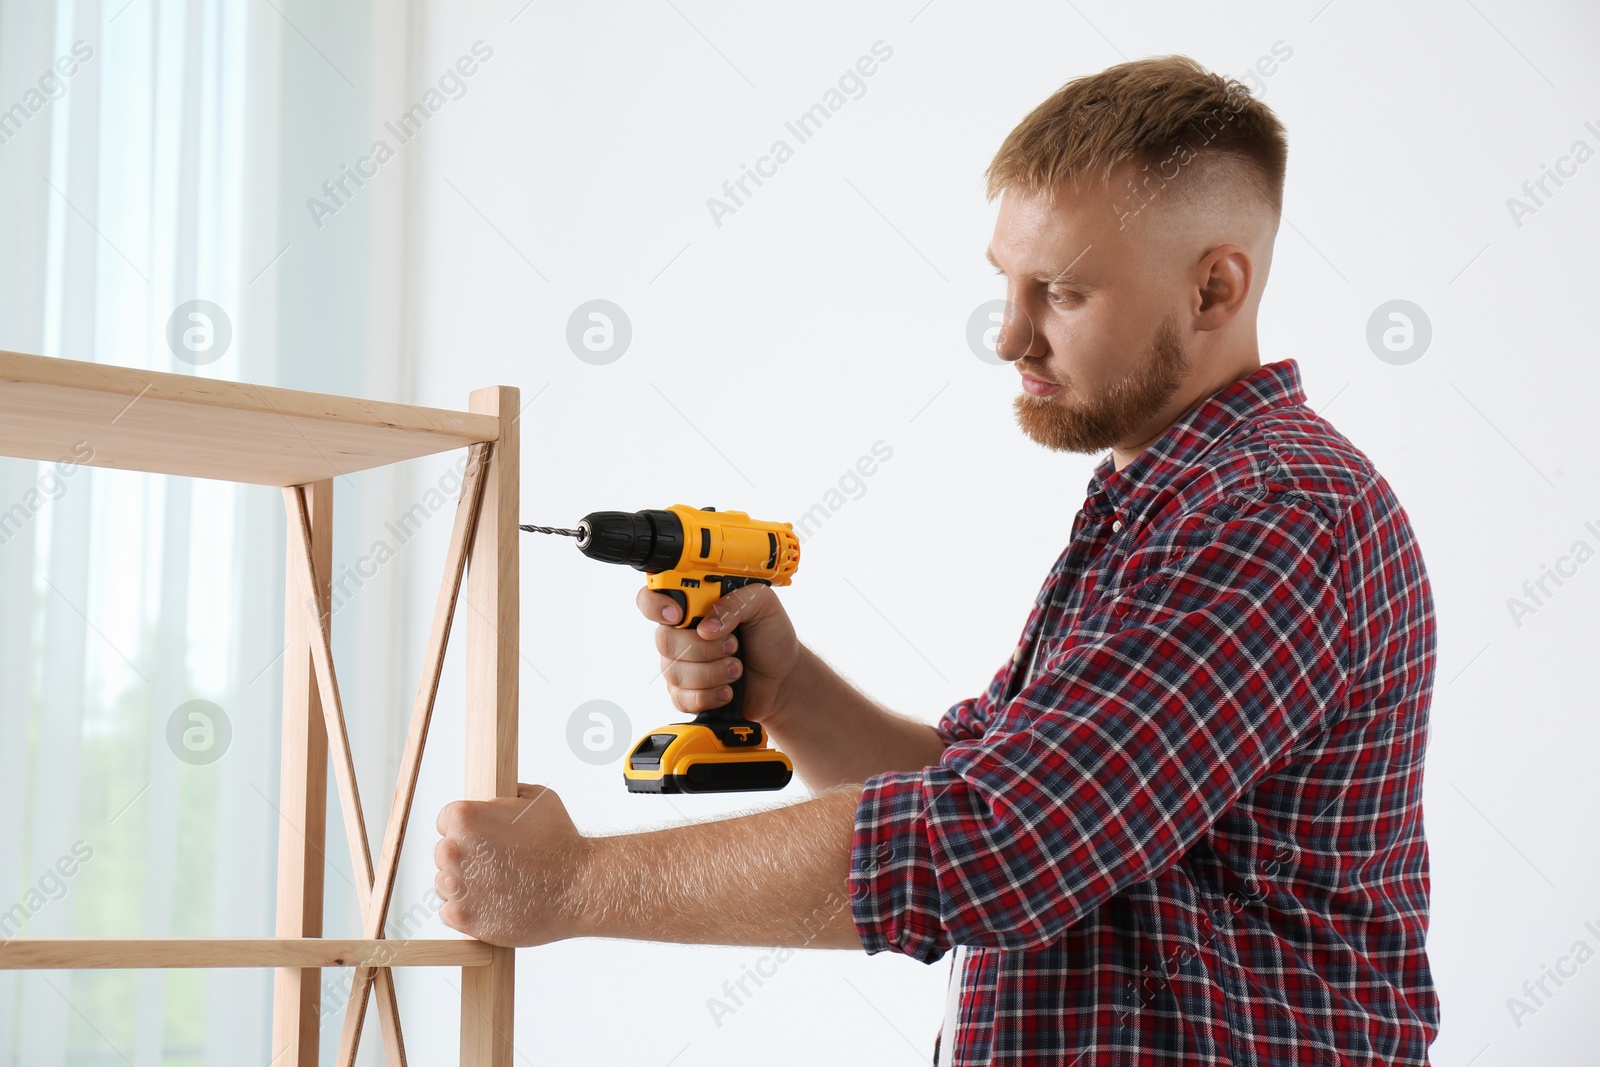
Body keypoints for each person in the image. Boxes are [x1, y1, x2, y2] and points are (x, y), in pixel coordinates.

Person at [433, 54, 1441, 1066]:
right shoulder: (1159, 507)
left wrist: (568, 883)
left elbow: (1002, 842)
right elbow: (982, 779)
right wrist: (790, 691)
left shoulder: (1272, 515)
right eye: (1005, 281)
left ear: (1214, 286)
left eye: (1062, 292)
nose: (1009, 334)